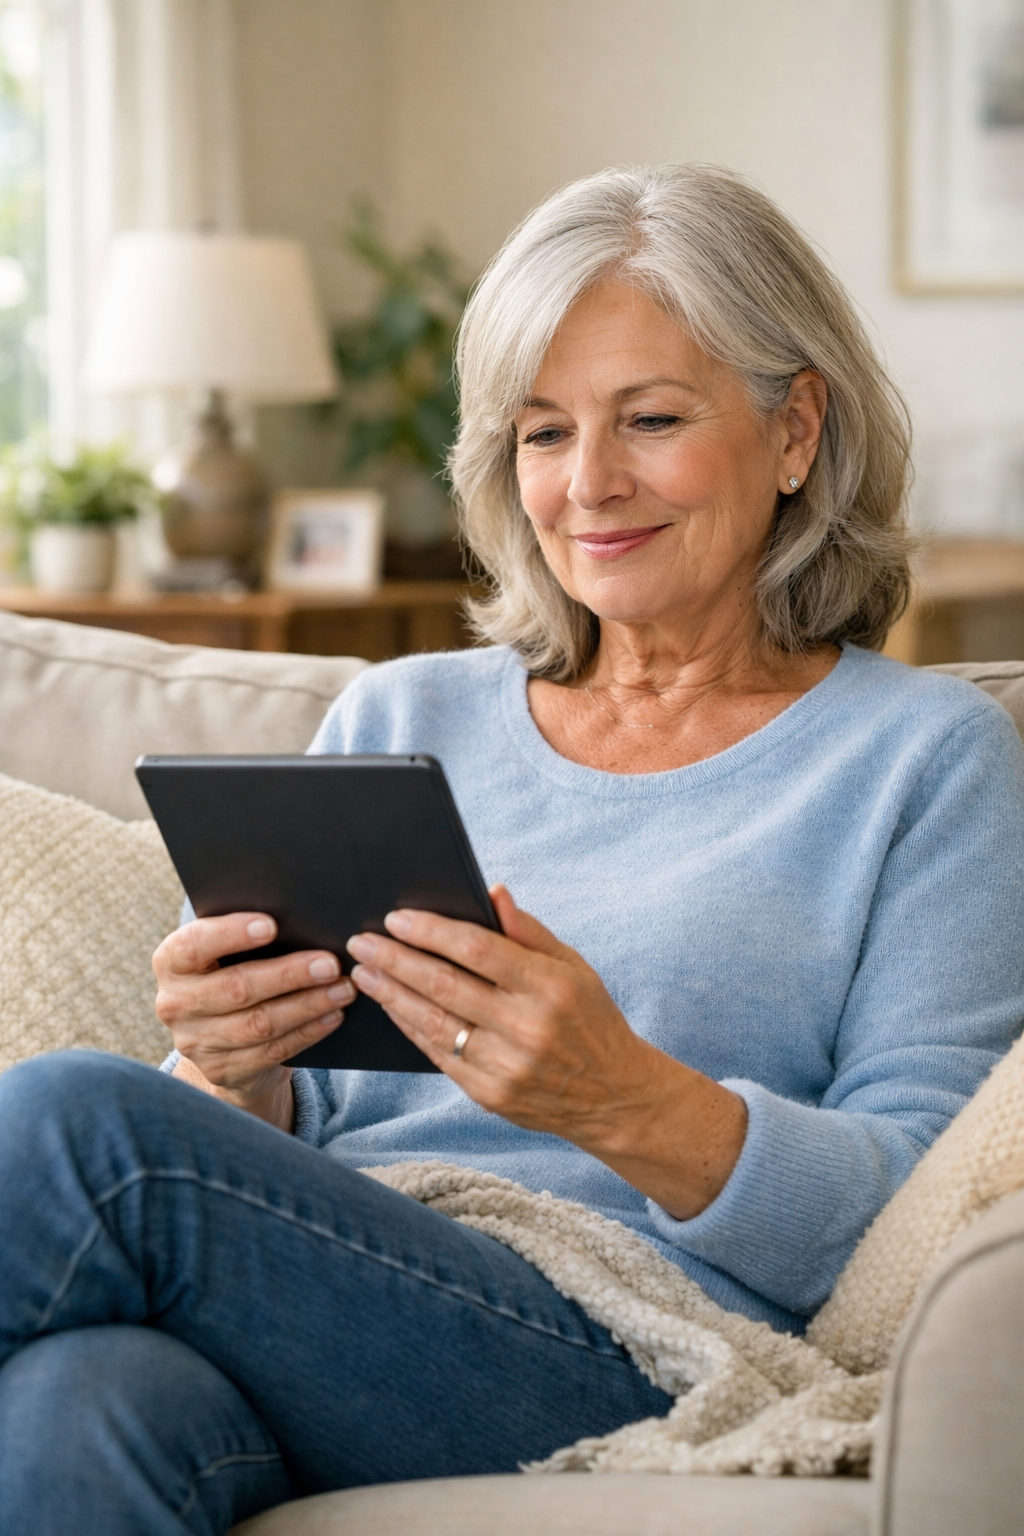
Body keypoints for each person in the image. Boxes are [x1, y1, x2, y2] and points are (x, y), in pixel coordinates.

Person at [1, 163, 1022, 1534]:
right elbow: (296, 1142)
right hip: (326, 1305)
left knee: (84, 1123)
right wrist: (230, 1065)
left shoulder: (925, 760)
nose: (589, 484)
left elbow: (906, 1232)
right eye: (542, 434)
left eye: (650, 420)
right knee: (84, 1400)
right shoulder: (398, 713)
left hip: (631, 1348)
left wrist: (623, 1100)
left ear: (797, 431)